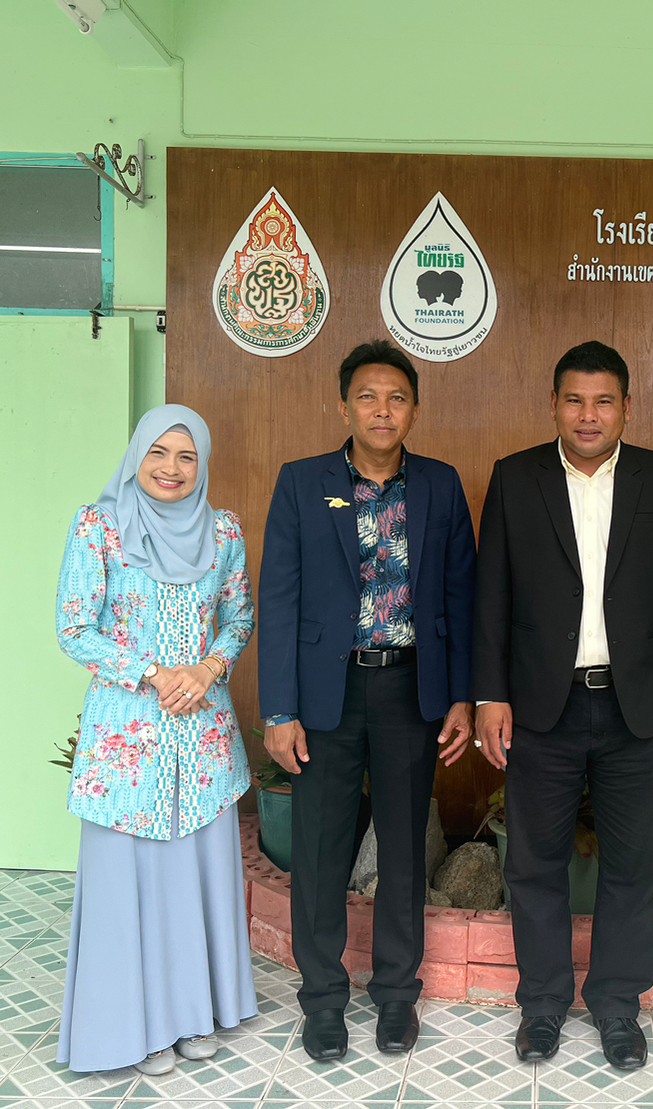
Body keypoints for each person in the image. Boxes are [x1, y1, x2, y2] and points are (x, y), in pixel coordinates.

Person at [473, 340, 653, 1070]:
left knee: (633, 865)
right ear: (553, 405)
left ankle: (616, 1006)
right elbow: (491, 595)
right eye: (574, 400)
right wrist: (490, 694)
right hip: (543, 707)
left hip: (638, 708)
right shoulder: (516, 477)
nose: (588, 414)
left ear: (626, 406)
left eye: (603, 401)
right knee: (533, 863)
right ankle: (541, 1005)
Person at [258, 339, 476, 1063]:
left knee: (404, 848)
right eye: (368, 397)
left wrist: (461, 697)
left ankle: (395, 995)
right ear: (343, 406)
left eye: (397, 398)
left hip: (411, 688)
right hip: (327, 691)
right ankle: (322, 1000)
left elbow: (461, 596)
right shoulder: (302, 482)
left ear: (414, 409)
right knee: (321, 851)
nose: (383, 411)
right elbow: (278, 598)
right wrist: (278, 710)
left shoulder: (440, 485)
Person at [55, 404, 257, 1075]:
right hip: (128, 740)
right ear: (137, 456)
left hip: (201, 739)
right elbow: (74, 626)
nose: (171, 468)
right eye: (158, 453)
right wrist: (153, 671)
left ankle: (193, 1016)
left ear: (202, 464)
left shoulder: (223, 531)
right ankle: (132, 1028)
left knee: (190, 878)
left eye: (187, 456)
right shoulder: (99, 526)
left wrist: (208, 667)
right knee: (128, 882)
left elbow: (239, 617)